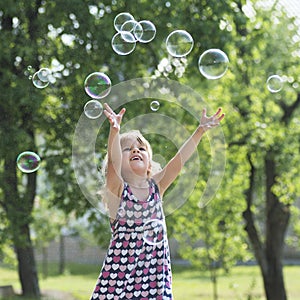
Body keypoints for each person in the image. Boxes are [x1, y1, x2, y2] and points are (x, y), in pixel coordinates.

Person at [90, 103, 225, 300]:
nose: (136, 150)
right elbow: (113, 162)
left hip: (154, 280)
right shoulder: (117, 192)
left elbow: (179, 161)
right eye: (128, 149)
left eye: (141, 148)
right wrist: (114, 131)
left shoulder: (156, 187)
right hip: (120, 284)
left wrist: (200, 131)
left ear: (148, 164)